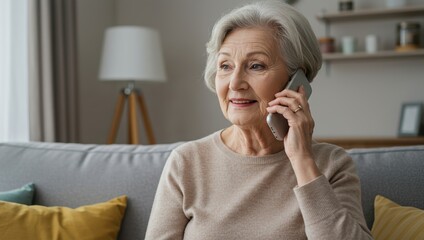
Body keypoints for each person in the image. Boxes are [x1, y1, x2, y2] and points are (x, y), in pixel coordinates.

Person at [145, 1, 373, 239]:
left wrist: (303, 161)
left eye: (256, 65)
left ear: (297, 81)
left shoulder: (332, 165)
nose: (234, 83)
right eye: (225, 66)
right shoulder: (186, 163)